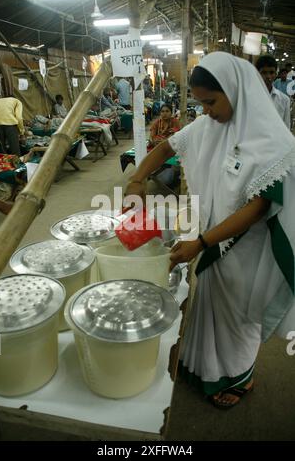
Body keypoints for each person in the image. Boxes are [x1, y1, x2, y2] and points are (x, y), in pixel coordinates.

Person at [125, 52, 295, 409]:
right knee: (210, 307)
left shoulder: (272, 141)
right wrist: (137, 179)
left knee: (237, 317)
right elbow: (167, 147)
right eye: (202, 103)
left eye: (211, 102)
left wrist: (200, 243)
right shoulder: (209, 126)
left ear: (235, 91)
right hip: (212, 240)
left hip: (246, 249)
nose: (206, 111)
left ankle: (239, 378)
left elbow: (258, 206)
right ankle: (204, 368)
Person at [256, 55, 290, 128]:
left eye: (271, 72)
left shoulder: (284, 100)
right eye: (264, 72)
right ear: (257, 74)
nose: (268, 76)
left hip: (277, 139)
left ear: (275, 74)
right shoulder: (249, 97)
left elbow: (286, 127)